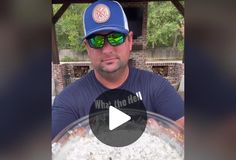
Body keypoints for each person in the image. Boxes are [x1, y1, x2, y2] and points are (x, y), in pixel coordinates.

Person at [52, 0, 184, 139]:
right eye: (96, 40)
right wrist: (71, 141)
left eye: (116, 37)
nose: (107, 49)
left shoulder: (156, 87)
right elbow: (53, 148)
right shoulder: (68, 100)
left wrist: (163, 134)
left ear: (130, 41)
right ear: (87, 47)